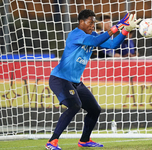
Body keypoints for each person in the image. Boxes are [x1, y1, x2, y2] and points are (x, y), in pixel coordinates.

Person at [45, 9, 141, 150]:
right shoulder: (75, 34)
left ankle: (84, 140)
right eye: (90, 23)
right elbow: (95, 41)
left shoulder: (93, 35)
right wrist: (117, 27)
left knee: (95, 109)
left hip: (75, 82)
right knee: (74, 105)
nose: (92, 26)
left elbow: (112, 45)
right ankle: (52, 141)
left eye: (93, 23)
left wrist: (125, 31)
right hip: (60, 79)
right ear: (81, 22)